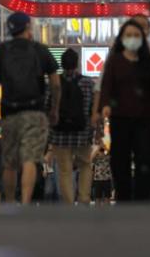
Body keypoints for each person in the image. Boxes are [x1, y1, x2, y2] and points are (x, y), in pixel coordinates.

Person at [0, 12, 60, 205]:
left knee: (9, 162)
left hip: (9, 113)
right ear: (28, 27)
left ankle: (10, 202)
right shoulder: (40, 50)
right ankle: (26, 203)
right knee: (30, 159)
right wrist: (54, 108)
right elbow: (56, 83)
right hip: (35, 112)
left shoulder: (1, 51)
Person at [99, 20, 150, 201]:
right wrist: (105, 105)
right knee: (120, 160)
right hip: (120, 118)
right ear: (122, 38)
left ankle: (144, 198)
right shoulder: (115, 61)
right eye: (128, 35)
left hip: (144, 119)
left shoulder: (149, 62)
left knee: (145, 159)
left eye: (136, 35)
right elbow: (107, 86)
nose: (132, 39)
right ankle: (123, 197)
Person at [48, 48, 95, 205]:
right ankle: (84, 198)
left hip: (60, 134)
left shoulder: (54, 83)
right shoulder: (88, 83)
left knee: (65, 170)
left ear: (62, 64)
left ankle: (69, 203)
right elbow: (92, 109)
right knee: (85, 165)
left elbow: (47, 107)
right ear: (77, 63)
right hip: (83, 132)